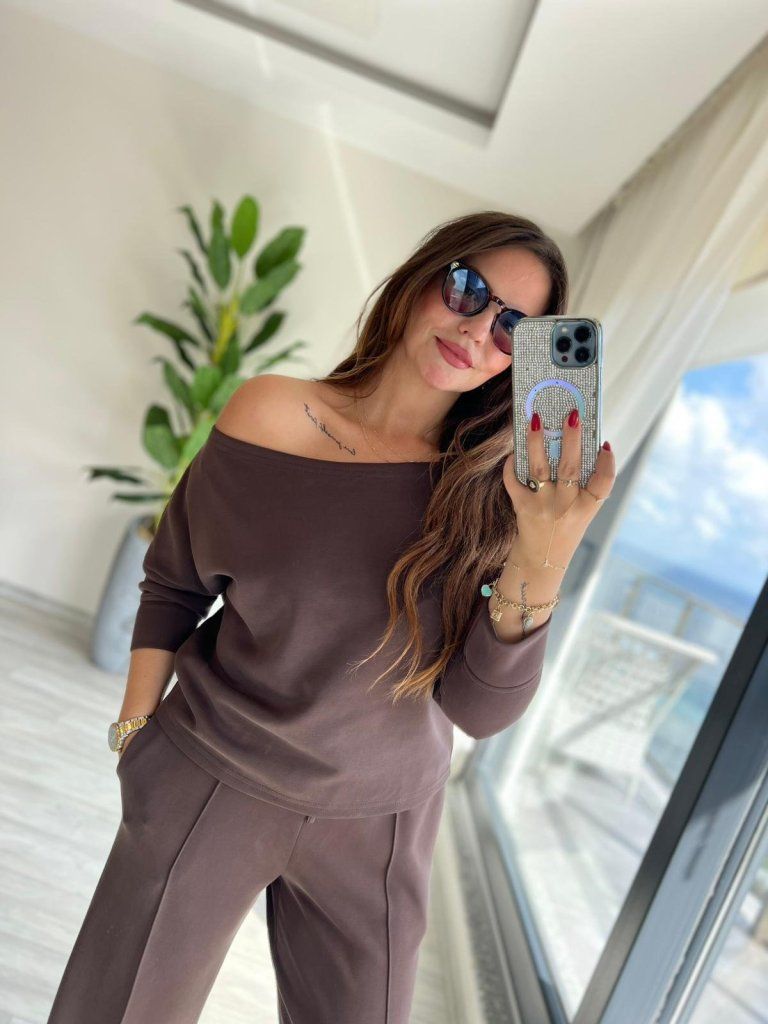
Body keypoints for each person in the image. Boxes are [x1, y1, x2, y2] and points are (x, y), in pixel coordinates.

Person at [47, 209, 615, 1023]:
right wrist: (134, 736)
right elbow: (174, 581)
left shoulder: (497, 497)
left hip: (381, 820)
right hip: (212, 771)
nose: (477, 329)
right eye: (467, 289)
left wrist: (543, 555)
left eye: (512, 327)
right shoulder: (269, 414)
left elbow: (479, 711)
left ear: (522, 358)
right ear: (421, 280)